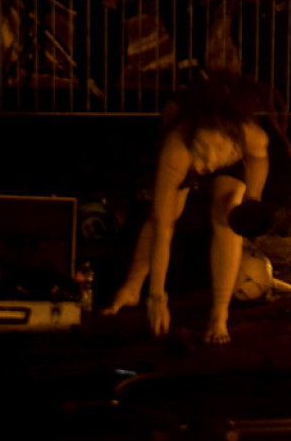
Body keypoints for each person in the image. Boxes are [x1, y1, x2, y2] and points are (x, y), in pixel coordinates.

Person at [101, 75, 271, 344]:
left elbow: (259, 158)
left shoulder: (251, 135)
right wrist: (156, 296)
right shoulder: (178, 148)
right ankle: (133, 287)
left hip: (231, 158)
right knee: (165, 214)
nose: (207, 163)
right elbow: (163, 228)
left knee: (227, 213)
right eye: (201, 151)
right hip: (182, 149)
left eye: (213, 151)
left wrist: (253, 197)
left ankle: (219, 313)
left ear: (232, 138)